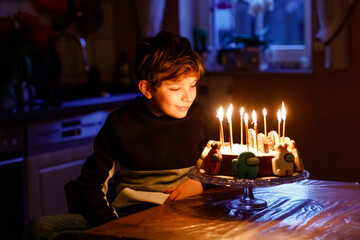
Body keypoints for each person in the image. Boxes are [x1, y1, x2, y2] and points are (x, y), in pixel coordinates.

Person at [23, 31, 218, 240]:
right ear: (147, 88)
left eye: (193, 85)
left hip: (186, 217)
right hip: (130, 218)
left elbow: (228, 165)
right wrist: (114, 226)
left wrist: (201, 184)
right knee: (41, 228)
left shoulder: (201, 118)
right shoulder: (121, 123)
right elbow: (90, 185)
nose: (187, 97)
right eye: (176, 88)